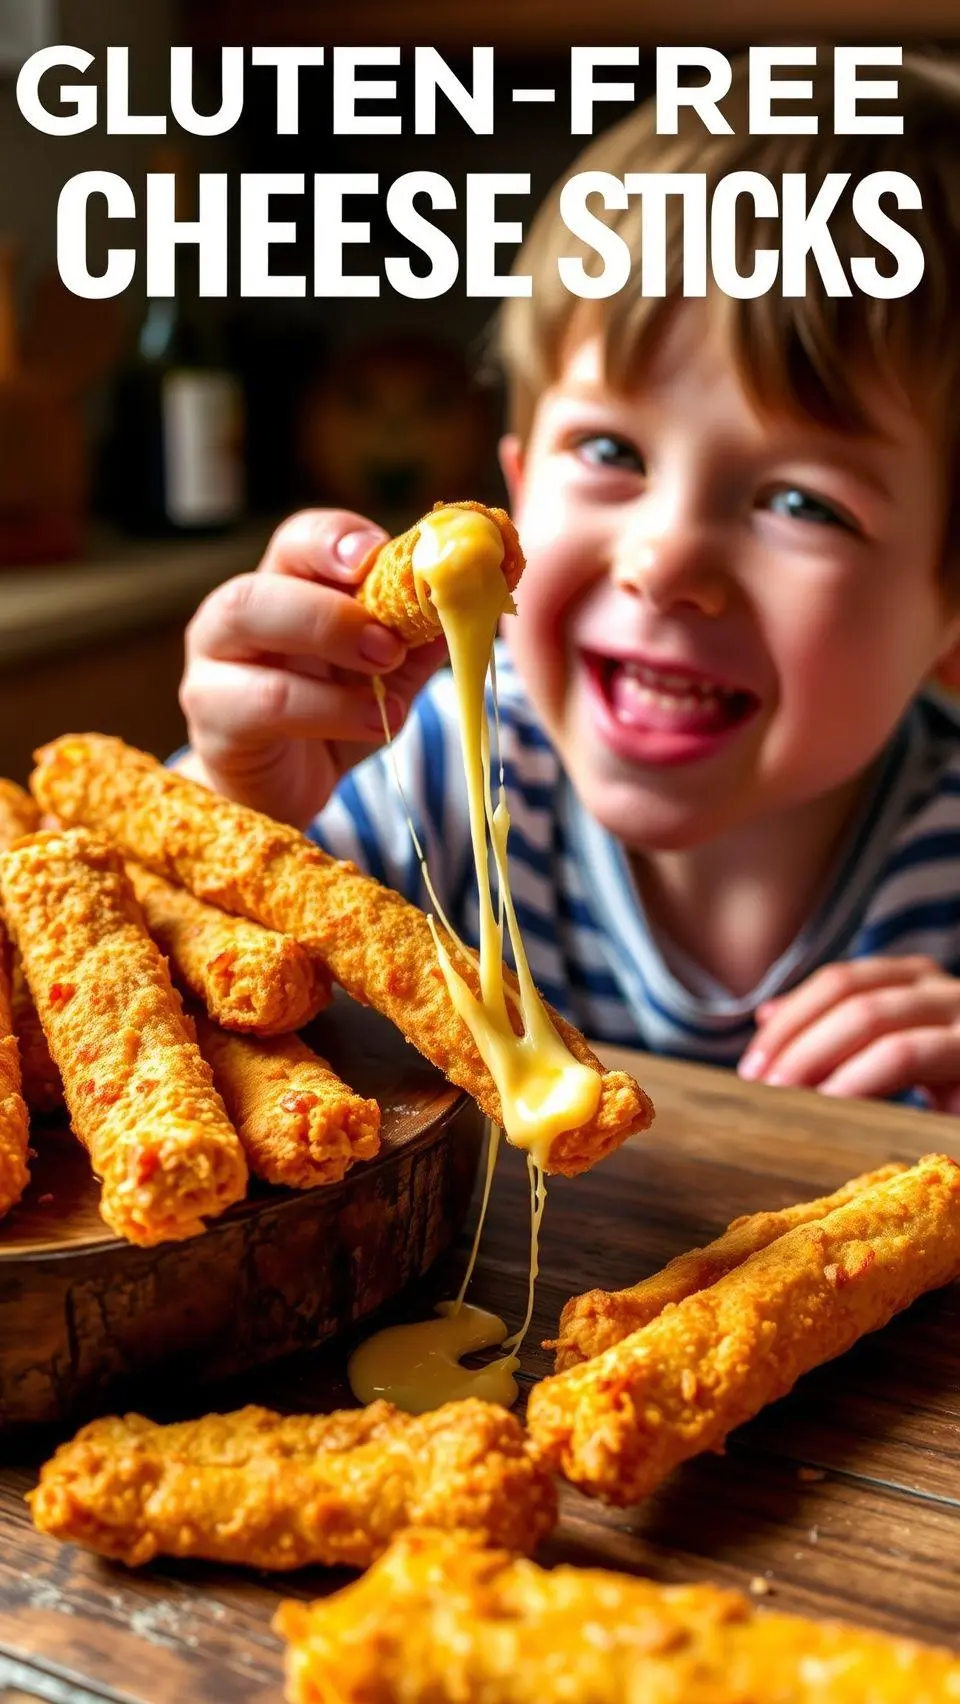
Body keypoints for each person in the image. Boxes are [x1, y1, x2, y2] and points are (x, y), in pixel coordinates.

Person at [178, 51, 960, 1111]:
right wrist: (231, 807)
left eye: (801, 504)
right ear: (514, 494)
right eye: (611, 453)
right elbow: (138, 1004)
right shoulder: (425, 766)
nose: (666, 562)